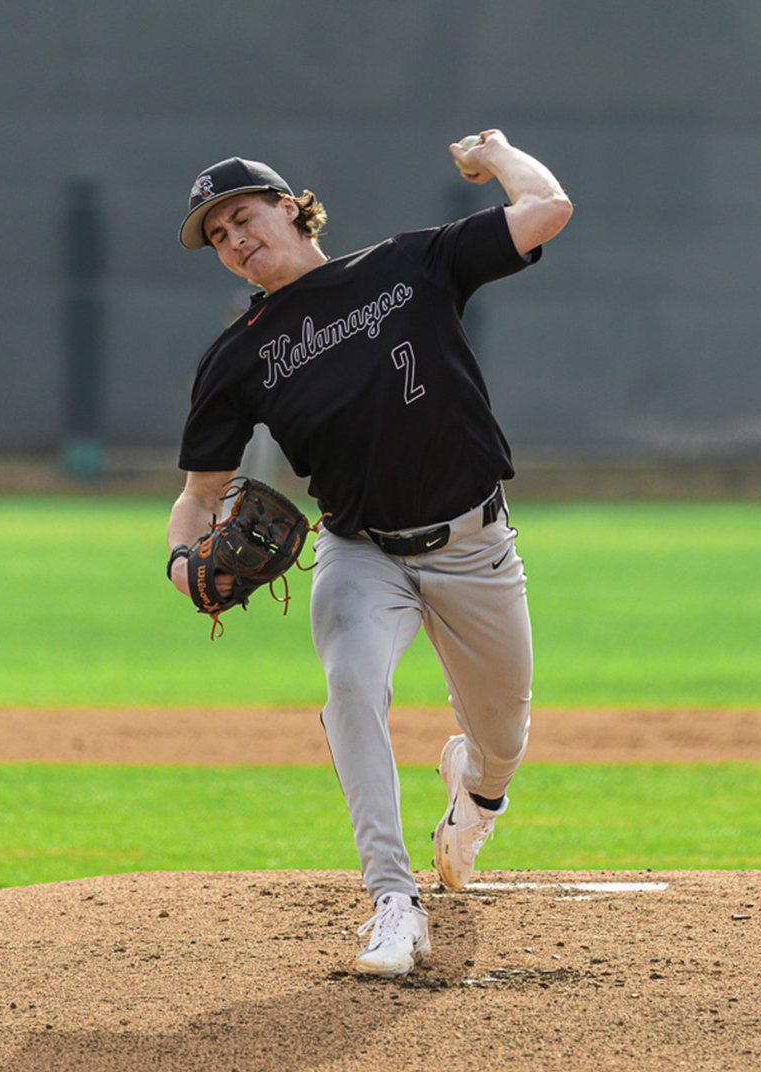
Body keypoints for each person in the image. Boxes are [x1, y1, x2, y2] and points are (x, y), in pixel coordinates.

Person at [166, 131, 572, 977]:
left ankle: (477, 791)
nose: (235, 239)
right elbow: (202, 493)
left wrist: (494, 153)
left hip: (475, 548)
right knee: (351, 682)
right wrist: (179, 558)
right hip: (359, 553)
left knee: (503, 736)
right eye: (218, 237)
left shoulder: (408, 265)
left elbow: (547, 211)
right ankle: (393, 900)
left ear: (289, 206)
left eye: (242, 216)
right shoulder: (239, 355)